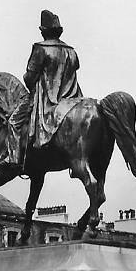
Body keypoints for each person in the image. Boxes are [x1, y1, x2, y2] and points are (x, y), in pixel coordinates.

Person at [8, 10, 82, 166]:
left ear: (43, 32)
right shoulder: (72, 51)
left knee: (13, 122)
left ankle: (13, 160)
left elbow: (30, 77)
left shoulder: (40, 48)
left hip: (46, 99)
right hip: (73, 99)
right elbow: (75, 68)